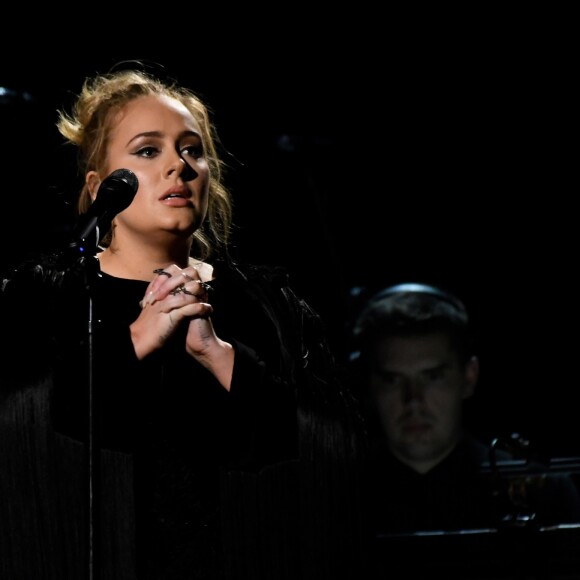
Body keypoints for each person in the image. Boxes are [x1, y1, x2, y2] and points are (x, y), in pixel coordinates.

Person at [0, 66, 365, 580]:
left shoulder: (267, 304)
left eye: (193, 150)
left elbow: (340, 448)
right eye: (149, 151)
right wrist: (130, 343)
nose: (180, 165)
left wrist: (222, 357)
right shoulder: (45, 296)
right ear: (100, 185)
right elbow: (16, 438)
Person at [350, 283, 580, 553]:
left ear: (468, 377)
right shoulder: (337, 497)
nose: (413, 401)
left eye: (432, 376)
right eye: (392, 379)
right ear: (370, 385)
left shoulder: (542, 493)